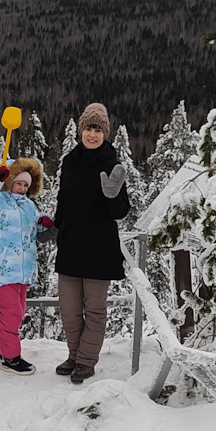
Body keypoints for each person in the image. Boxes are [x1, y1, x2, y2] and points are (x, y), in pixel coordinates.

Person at [51, 103, 131, 384]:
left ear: (105, 133)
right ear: (81, 131)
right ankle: (74, 356)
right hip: (71, 245)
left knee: (94, 310)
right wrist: (53, 223)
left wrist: (112, 196)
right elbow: (63, 199)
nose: (92, 134)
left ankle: (86, 361)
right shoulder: (70, 162)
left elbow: (120, 212)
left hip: (99, 248)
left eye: (98, 129)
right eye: (88, 128)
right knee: (69, 309)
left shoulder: (113, 165)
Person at [0, 156, 53, 374]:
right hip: (3, 268)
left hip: (24, 269)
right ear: (10, 181)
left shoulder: (29, 206)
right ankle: (10, 358)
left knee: (17, 312)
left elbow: (34, 227)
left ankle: (0, 348)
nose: (21, 188)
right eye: (18, 183)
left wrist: (44, 222)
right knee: (11, 313)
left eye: (26, 185)